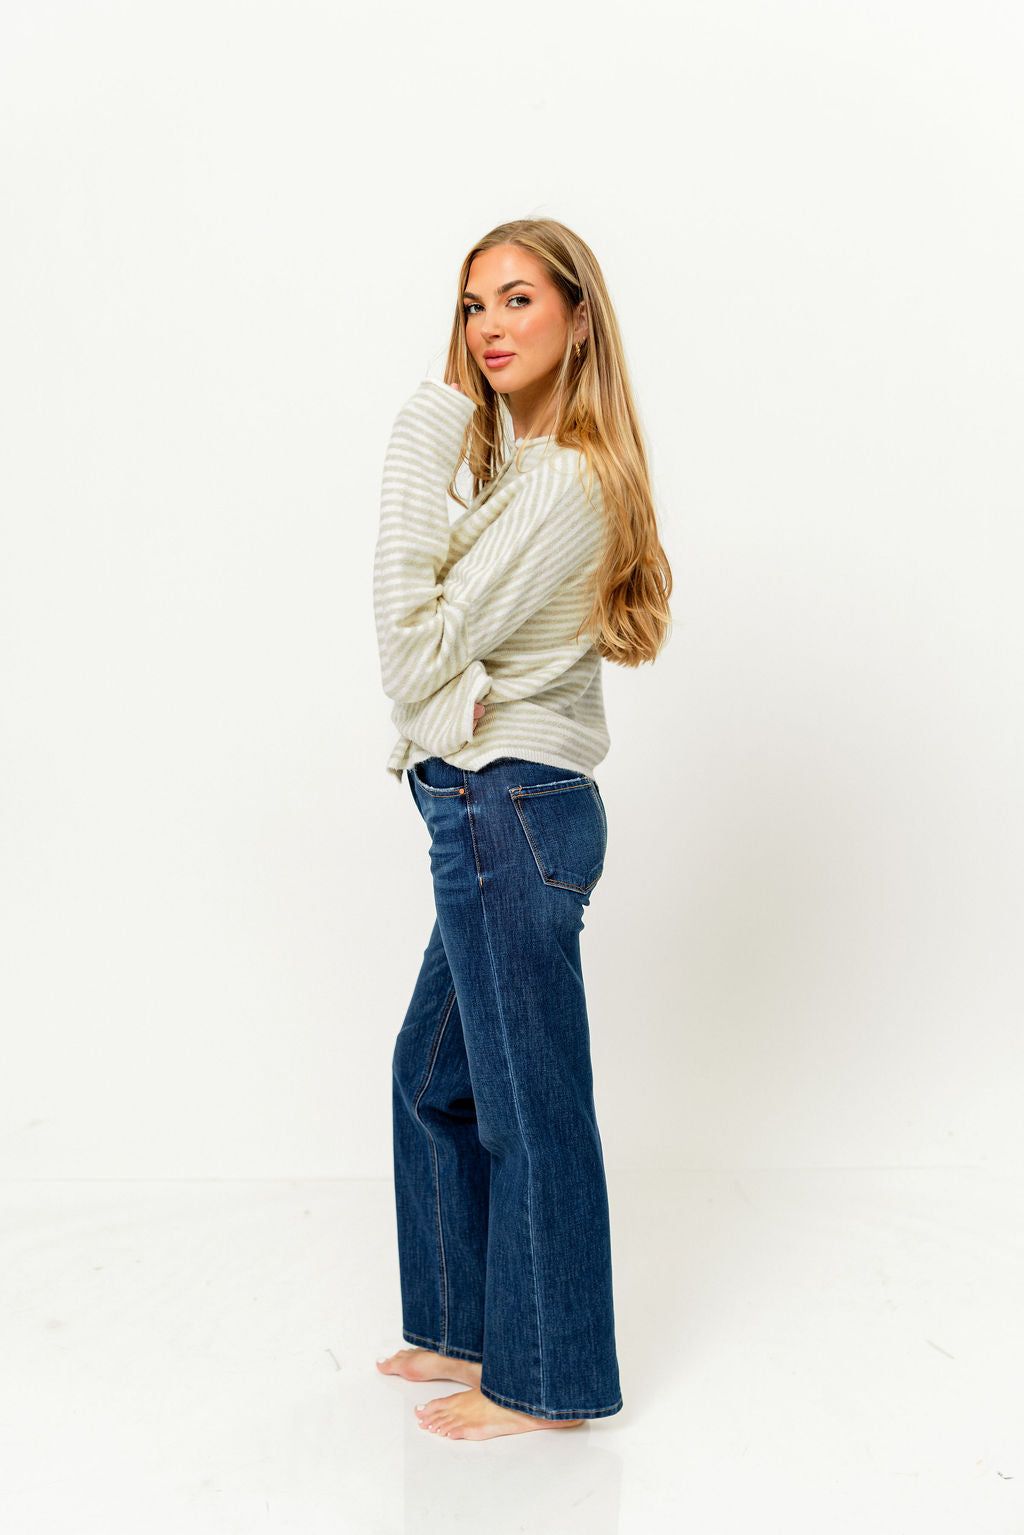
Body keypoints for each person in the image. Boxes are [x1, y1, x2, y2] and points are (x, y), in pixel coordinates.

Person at [372, 217, 672, 1441]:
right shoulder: (527, 473)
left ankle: (547, 1380)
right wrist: (444, 686)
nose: (488, 329)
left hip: (507, 806)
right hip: (482, 803)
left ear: (577, 318)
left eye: (515, 300)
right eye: (471, 307)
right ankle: (463, 1322)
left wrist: (421, 433)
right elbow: (434, 650)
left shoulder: (561, 479)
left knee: (524, 1100)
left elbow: (411, 652)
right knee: (434, 1076)